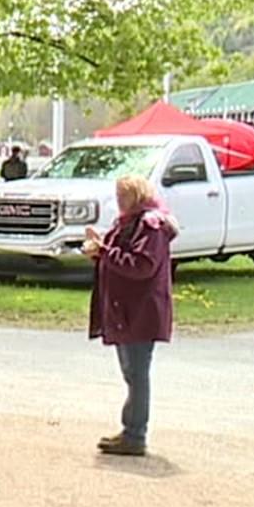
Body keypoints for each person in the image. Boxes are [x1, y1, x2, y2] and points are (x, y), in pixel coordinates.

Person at [86, 175, 177, 458]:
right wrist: (100, 250)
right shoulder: (129, 223)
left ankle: (135, 434)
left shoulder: (150, 225)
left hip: (140, 311)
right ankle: (131, 431)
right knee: (132, 373)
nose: (119, 201)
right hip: (126, 309)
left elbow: (141, 266)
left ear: (137, 195)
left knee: (137, 374)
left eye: (123, 195)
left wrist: (105, 252)